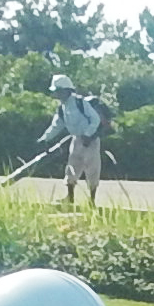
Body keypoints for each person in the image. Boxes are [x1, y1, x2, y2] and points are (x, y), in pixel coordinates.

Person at [39, 72, 106, 206]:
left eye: (58, 91)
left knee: (92, 168)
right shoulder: (62, 108)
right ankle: (70, 198)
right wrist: (44, 139)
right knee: (72, 167)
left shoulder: (81, 103)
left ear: (65, 91)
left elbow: (95, 120)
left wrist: (88, 135)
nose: (56, 95)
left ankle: (92, 201)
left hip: (90, 140)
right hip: (76, 139)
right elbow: (56, 126)